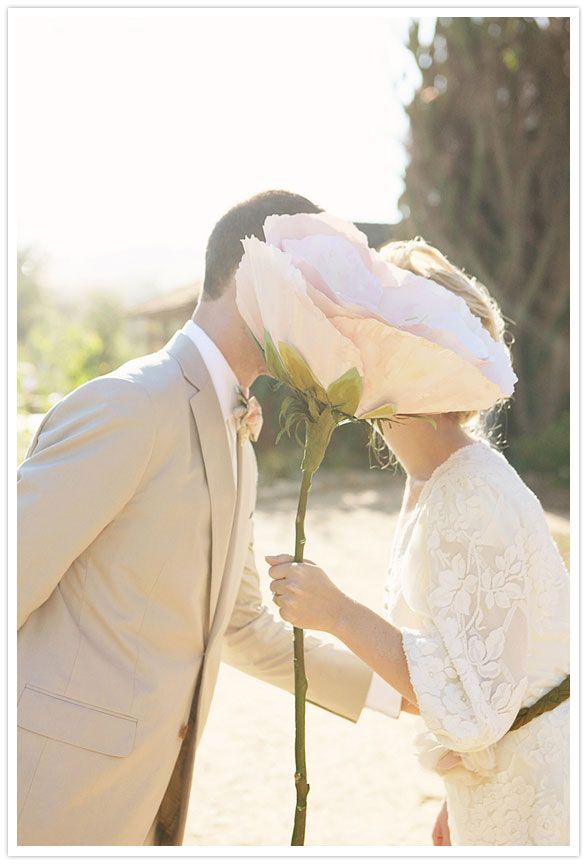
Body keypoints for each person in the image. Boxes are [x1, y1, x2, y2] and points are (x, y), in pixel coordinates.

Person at [17, 190, 404, 847]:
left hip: (147, 803)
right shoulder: (129, 406)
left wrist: (398, 684)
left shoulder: (236, 431)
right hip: (45, 804)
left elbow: (241, 626)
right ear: (259, 279)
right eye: (317, 290)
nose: (329, 317)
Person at [267, 238, 570, 846]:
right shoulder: (435, 482)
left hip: (537, 796)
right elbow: (475, 664)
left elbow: (479, 709)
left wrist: (338, 614)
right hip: (497, 780)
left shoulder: (470, 495)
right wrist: (454, 782)